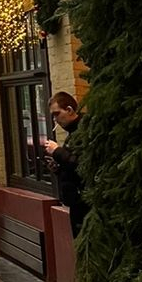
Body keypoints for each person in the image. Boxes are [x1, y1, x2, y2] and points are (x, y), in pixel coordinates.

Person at [42, 90, 88, 237]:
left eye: (57, 114)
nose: (56, 120)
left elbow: (83, 165)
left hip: (86, 203)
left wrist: (57, 151)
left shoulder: (84, 131)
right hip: (75, 203)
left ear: (69, 110)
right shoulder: (72, 134)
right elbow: (72, 169)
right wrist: (58, 169)